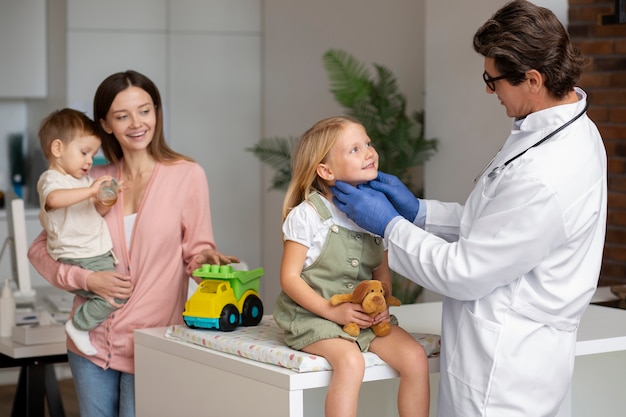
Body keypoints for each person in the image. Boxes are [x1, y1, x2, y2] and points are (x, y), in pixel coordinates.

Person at [331, 1, 607, 416]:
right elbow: (497, 229)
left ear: (532, 79)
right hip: (506, 356)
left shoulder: (549, 171)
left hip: (505, 375)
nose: (488, 90)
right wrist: (418, 212)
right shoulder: (563, 129)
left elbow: (464, 272)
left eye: (492, 80)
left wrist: (388, 226)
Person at [28, 70, 238, 417]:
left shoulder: (187, 175)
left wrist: (206, 262)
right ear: (106, 124)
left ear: (157, 112)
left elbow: (196, 250)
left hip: (151, 342)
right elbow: (40, 249)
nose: (136, 123)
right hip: (89, 343)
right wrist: (86, 280)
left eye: (144, 110)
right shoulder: (89, 180)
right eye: (122, 116)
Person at [273, 116, 430, 417]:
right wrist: (332, 311)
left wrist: (381, 306)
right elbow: (289, 278)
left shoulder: (375, 213)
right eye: (355, 149)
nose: (369, 152)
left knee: (414, 358)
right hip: (315, 316)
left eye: (368, 144)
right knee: (350, 362)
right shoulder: (309, 215)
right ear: (326, 170)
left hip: (363, 319)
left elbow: (381, 278)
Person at [37, 108, 125, 357]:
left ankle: (79, 325)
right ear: (57, 149)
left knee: (116, 293)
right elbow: (53, 200)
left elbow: (94, 211)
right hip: (77, 255)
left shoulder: (82, 182)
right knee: (117, 295)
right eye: (84, 152)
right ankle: (78, 326)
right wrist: (90, 191)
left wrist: (107, 198)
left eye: (93, 154)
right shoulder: (51, 179)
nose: (89, 161)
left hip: (91, 252)